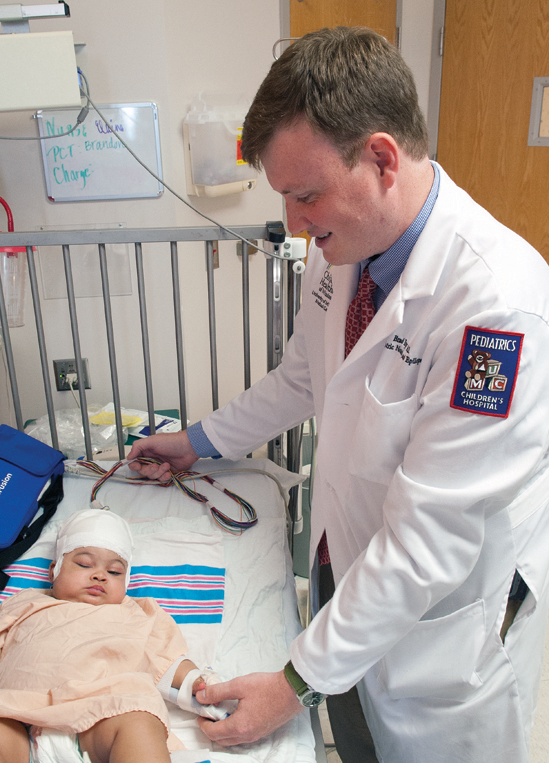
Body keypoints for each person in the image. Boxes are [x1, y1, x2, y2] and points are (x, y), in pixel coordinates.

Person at [127, 26, 549, 763]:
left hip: (439, 635)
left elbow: (426, 543)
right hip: (347, 570)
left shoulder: (496, 313)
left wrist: (292, 682)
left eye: (305, 194)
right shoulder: (346, 248)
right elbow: (302, 378)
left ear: (381, 159)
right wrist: (194, 441)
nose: (293, 223)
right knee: (354, 732)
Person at [0, 509, 227, 763]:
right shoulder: (24, 604)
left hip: (103, 720)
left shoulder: (139, 612)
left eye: (114, 571)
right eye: (84, 564)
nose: (99, 575)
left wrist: (196, 683)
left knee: (141, 723)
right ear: (53, 571)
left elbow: (167, 661)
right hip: (17, 724)